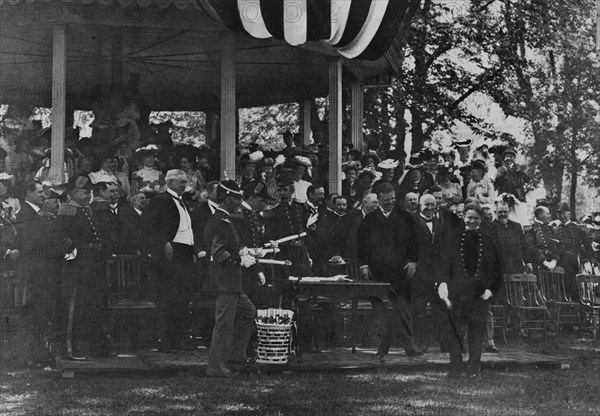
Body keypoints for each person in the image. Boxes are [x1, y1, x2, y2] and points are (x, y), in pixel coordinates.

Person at [357, 182, 422, 360]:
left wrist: (413, 262)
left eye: (393, 199)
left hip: (400, 272)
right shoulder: (369, 220)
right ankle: (382, 349)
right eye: (386, 200)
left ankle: (410, 346)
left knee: (402, 309)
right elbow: (361, 246)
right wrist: (364, 266)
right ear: (378, 199)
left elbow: (414, 243)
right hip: (377, 273)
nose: (390, 202)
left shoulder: (405, 218)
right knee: (381, 311)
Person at [437, 203, 502, 378]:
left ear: (481, 219)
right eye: (469, 217)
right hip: (458, 293)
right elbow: (444, 265)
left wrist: (490, 289)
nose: (472, 221)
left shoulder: (489, 240)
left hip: (479, 294)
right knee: (456, 331)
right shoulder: (453, 238)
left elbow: (497, 269)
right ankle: (455, 367)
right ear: (463, 217)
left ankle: (474, 367)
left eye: (476, 218)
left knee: (477, 331)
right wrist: (443, 283)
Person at [55, 176, 115, 359]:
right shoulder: (68, 209)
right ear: (74, 193)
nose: (88, 194)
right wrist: (71, 252)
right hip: (78, 264)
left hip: (93, 263)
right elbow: (59, 235)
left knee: (94, 303)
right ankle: (71, 348)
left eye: (89, 191)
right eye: (85, 191)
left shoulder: (86, 209)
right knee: (75, 305)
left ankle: (96, 347)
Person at [142, 169, 200, 352]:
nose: (185, 185)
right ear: (171, 182)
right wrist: (164, 243)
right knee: (169, 297)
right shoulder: (161, 200)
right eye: (182, 182)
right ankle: (166, 341)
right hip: (171, 254)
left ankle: (179, 339)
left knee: (182, 297)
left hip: (184, 253)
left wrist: (192, 250)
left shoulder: (182, 202)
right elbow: (147, 224)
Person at [205, 180, 257, 377]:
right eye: (237, 199)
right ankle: (216, 367)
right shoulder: (220, 220)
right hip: (225, 281)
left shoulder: (224, 219)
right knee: (224, 324)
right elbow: (219, 253)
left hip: (232, 282)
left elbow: (227, 247)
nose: (240, 203)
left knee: (248, 312)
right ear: (227, 199)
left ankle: (236, 356)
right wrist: (240, 260)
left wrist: (243, 250)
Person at [555, 202, 592, 300]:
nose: (562, 216)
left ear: (569, 214)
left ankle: (579, 310)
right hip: (561, 264)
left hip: (574, 263)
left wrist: (589, 261)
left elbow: (587, 246)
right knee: (562, 290)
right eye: (559, 214)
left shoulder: (577, 228)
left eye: (564, 214)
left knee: (576, 290)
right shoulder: (556, 230)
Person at [525, 205, 560, 271]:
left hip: (552, 265)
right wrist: (544, 261)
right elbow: (530, 247)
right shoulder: (531, 229)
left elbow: (556, 244)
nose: (549, 216)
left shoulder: (550, 228)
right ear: (540, 214)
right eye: (547, 214)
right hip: (538, 265)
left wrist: (554, 260)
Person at [345, 193, 378, 261]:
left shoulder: (377, 218)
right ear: (365, 203)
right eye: (374, 202)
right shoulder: (351, 217)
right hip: (355, 257)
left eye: (378, 203)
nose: (377, 205)